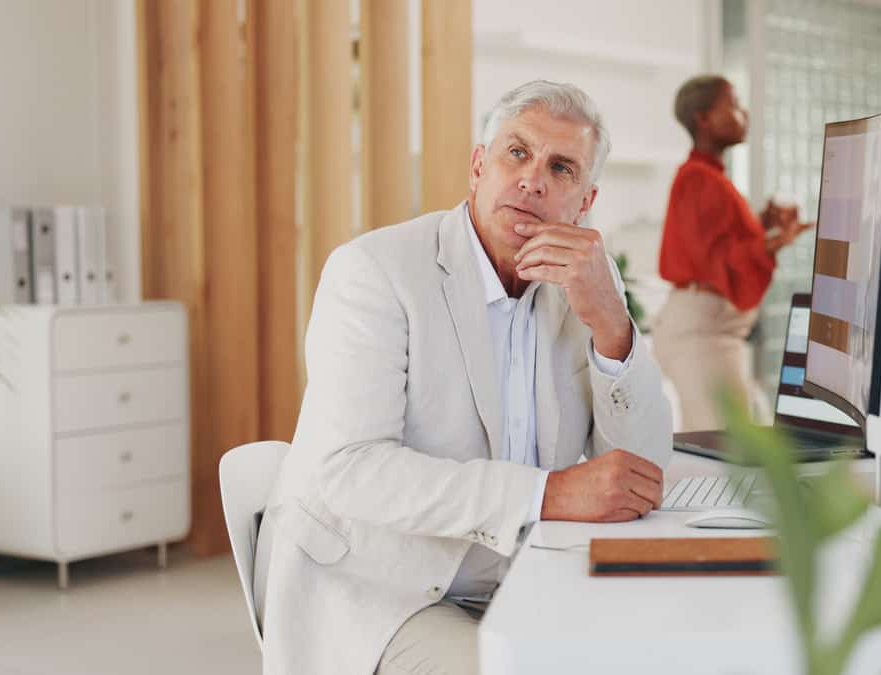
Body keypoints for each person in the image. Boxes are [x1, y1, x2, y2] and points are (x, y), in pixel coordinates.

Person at [252, 80, 673, 675]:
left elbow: (643, 470)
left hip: (528, 575)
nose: (533, 180)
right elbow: (349, 469)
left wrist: (612, 323)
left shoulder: (583, 284)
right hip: (380, 589)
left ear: (585, 202)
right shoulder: (374, 272)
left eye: (562, 168)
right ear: (480, 166)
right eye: (517, 153)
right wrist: (547, 494)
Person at [652, 75, 810, 431]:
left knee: (734, 443)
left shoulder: (709, 176)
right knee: (725, 449)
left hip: (711, 330)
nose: (744, 113)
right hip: (702, 334)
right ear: (703, 120)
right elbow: (715, 261)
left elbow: (717, 243)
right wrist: (775, 240)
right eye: (734, 105)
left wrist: (763, 224)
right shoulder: (697, 178)